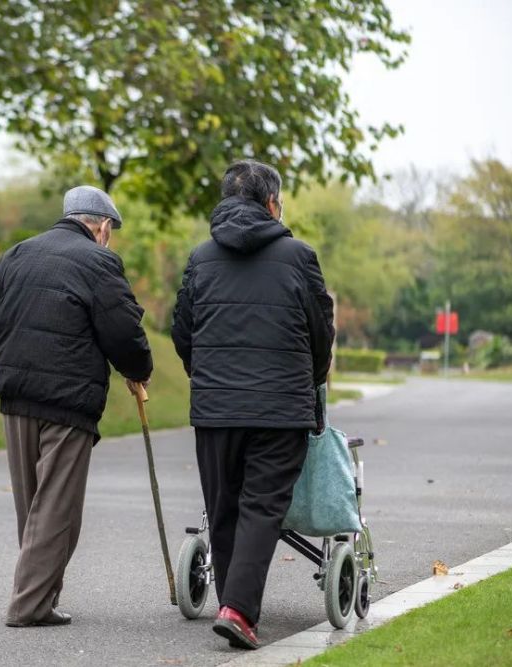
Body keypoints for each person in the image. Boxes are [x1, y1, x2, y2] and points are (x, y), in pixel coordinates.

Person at [0, 185, 153, 628]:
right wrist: (137, 367)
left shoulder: (15, 255)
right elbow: (122, 330)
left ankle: (41, 596)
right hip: (69, 401)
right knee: (55, 506)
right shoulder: (99, 261)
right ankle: (29, 605)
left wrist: (14, 361)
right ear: (103, 226)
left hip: (16, 399)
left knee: (33, 504)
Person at [171, 160, 334, 649]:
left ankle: (231, 603)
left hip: (216, 408)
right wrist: (313, 378)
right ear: (271, 204)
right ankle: (238, 610)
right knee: (262, 507)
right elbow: (320, 333)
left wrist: (205, 375)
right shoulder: (300, 256)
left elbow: (183, 331)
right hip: (281, 408)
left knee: (223, 507)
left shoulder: (201, 259)